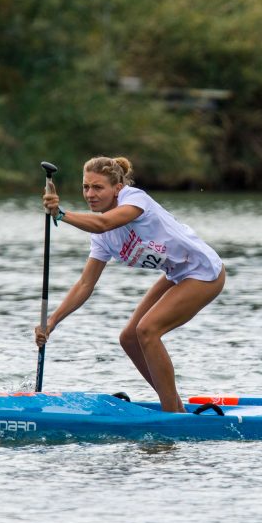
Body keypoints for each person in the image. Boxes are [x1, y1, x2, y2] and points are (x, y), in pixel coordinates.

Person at [36, 156, 225, 412]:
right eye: (86, 187)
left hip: (203, 270)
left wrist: (60, 214)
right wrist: (52, 321)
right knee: (129, 337)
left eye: (98, 188)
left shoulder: (135, 199)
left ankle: (172, 414)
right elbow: (84, 284)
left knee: (147, 330)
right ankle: (175, 406)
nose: (90, 194)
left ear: (117, 188)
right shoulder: (101, 238)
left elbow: (104, 223)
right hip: (176, 272)